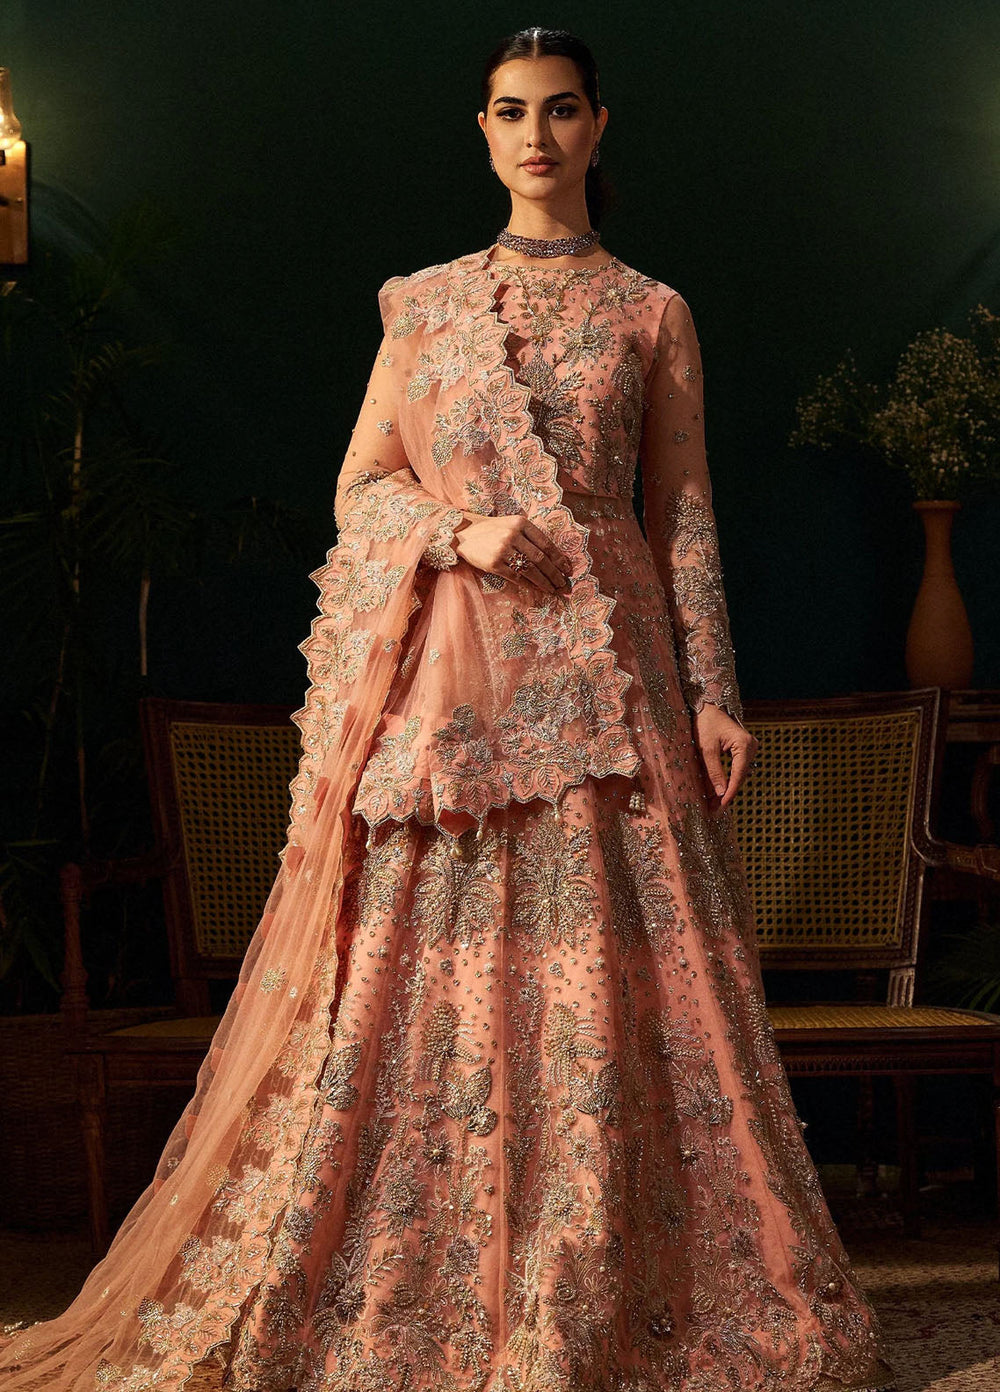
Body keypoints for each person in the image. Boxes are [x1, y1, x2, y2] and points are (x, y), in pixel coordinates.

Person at [0, 24, 898, 1392]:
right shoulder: (423, 307)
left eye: (561, 109)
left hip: (610, 676)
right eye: (511, 112)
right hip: (457, 691)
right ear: (483, 131)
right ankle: (426, 1271)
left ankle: (606, 1278)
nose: (537, 135)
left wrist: (715, 691)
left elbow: (683, 514)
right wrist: (457, 533)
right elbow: (362, 489)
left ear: (599, 127)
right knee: (432, 972)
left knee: (611, 976)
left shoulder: (651, 311)